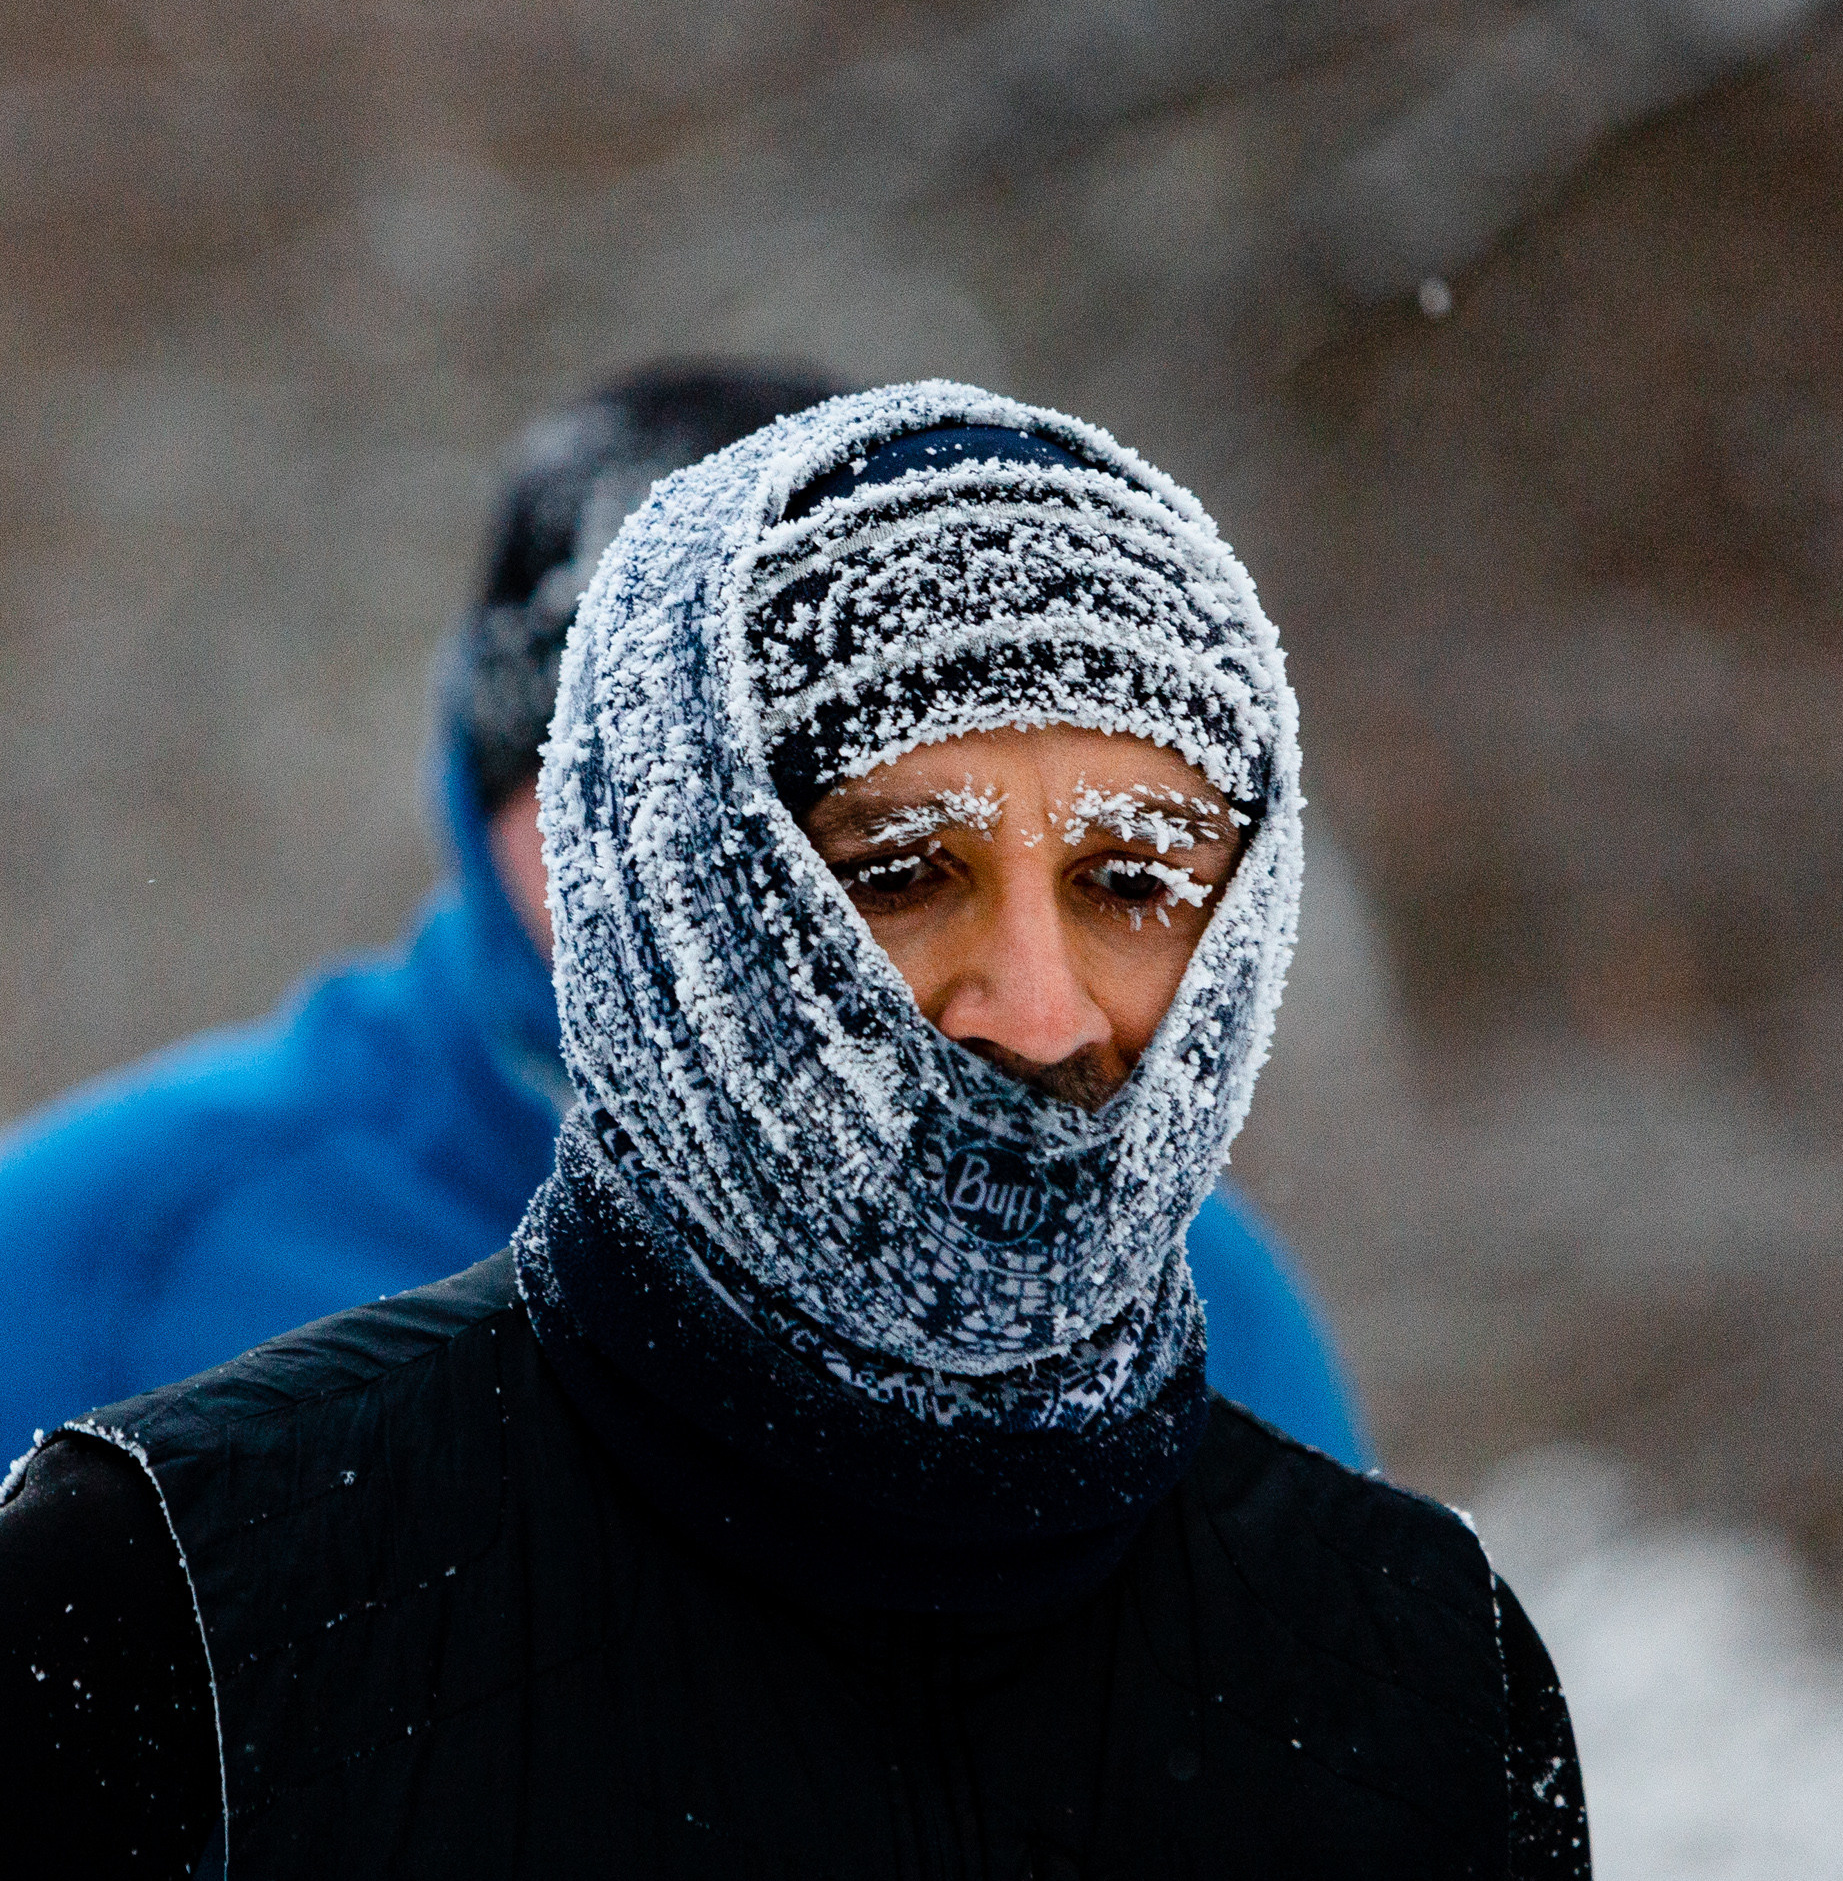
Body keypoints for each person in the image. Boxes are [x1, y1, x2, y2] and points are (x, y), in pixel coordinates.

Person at [4, 387, 1711, 1881]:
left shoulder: (1410, 1667)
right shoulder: (165, 1599)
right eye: (900, 867)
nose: (1035, 1005)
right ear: (683, 868)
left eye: (1132, 876)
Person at [0, 367, 1366, 1473]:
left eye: (747, 792)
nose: (651, 844)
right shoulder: (111, 1243)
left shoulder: (1186, 1298)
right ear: (487, 784)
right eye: (583, 764)